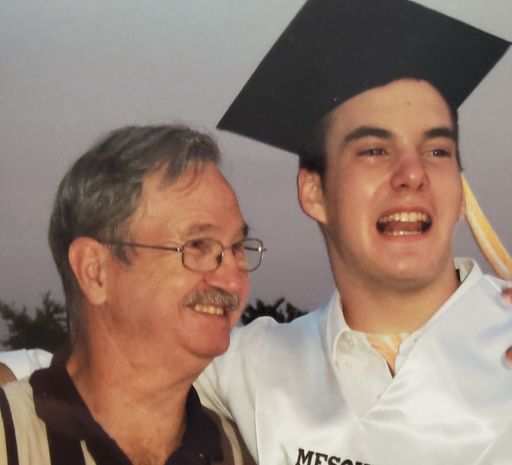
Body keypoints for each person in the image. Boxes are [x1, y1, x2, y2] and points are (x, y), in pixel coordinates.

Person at [195, 1, 512, 464]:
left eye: (437, 151)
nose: (413, 173)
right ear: (314, 192)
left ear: (462, 194)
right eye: (375, 150)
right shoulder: (258, 365)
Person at [0, 124, 263, 465]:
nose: (232, 280)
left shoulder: (236, 451)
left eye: (238, 247)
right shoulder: (11, 440)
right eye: (197, 245)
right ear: (95, 271)